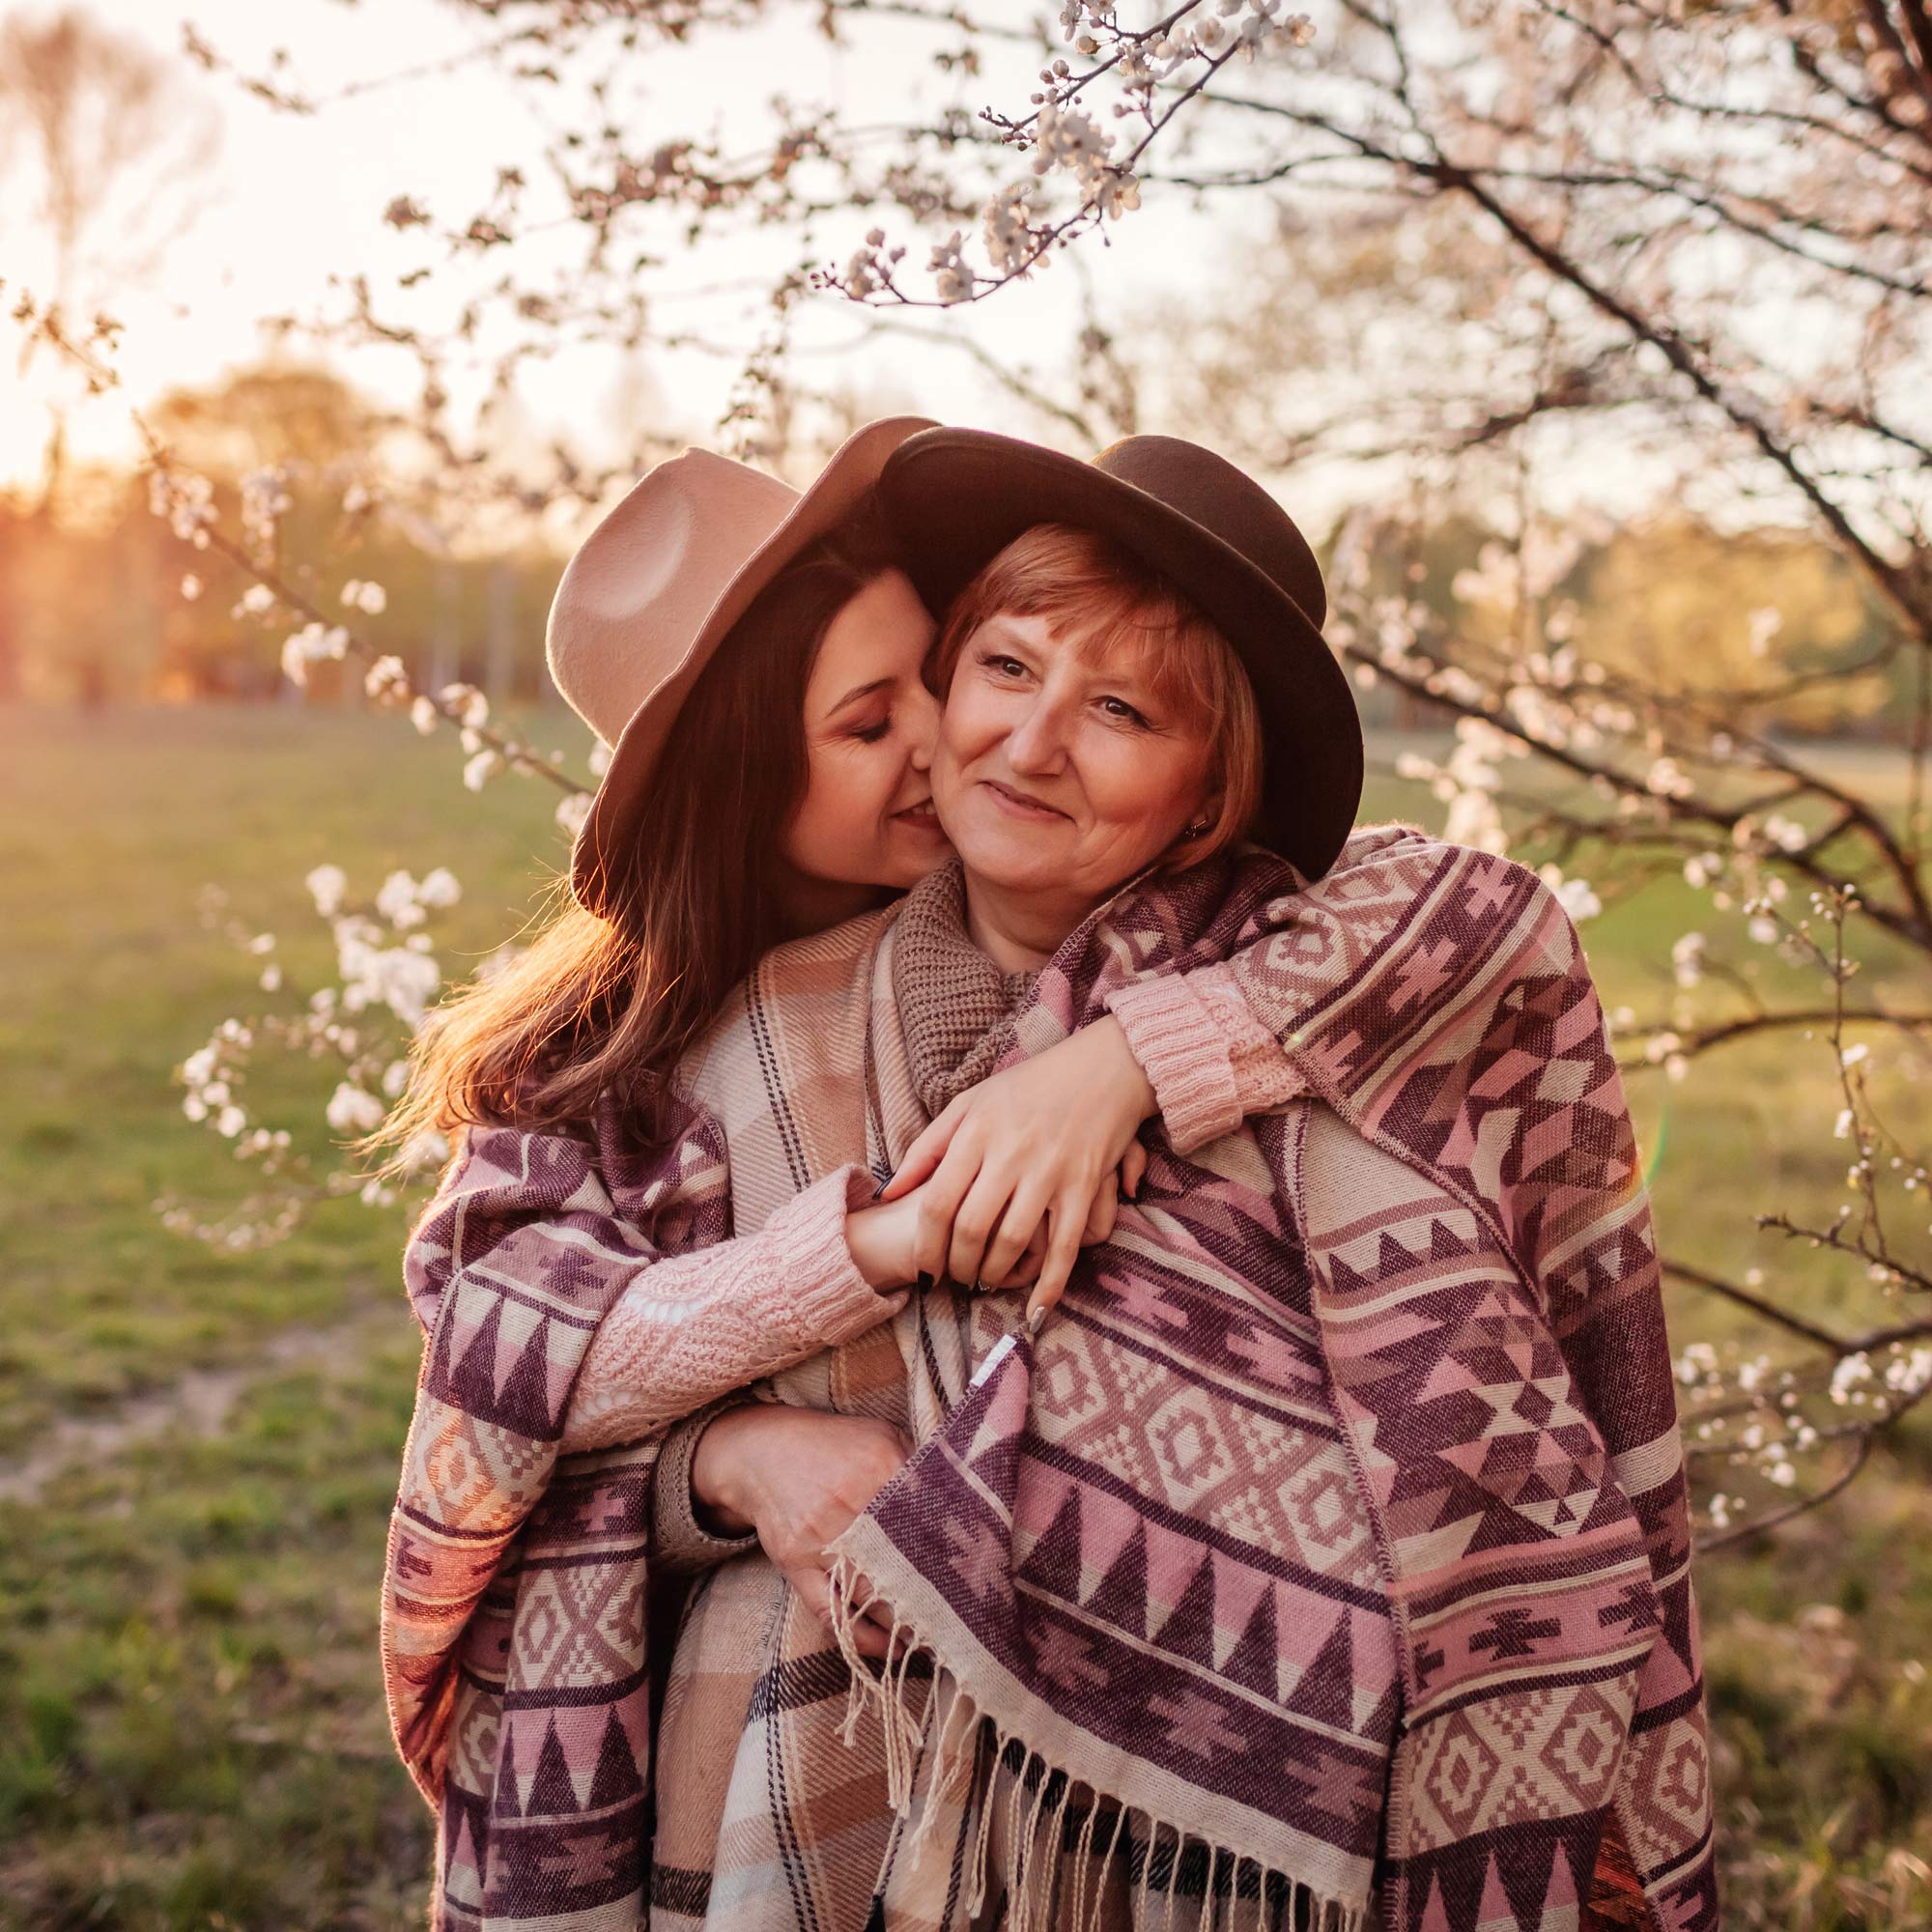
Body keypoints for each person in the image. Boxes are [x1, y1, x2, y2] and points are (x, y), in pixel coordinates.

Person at [384, 429, 1716, 1932]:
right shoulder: (653, 1070)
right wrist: (743, 1441)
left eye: (926, 687)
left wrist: (1127, 1058)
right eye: (882, 717)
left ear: (1208, 792)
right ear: (750, 775)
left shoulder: (1268, 970)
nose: (990, 744)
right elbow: (515, 1392)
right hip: (815, 1785)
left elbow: (1487, 911)